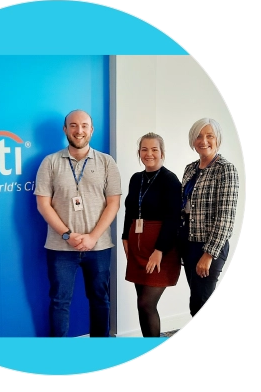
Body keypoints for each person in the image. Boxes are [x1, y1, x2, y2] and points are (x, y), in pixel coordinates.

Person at [34, 109, 122, 337]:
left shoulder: (107, 162)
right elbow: (43, 204)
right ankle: (58, 358)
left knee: (100, 300)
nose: (79, 130)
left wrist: (92, 237)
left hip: (99, 246)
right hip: (60, 247)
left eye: (84, 125)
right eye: (73, 125)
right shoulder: (50, 162)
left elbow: (113, 203)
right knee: (59, 302)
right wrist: (67, 235)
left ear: (92, 130)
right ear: (65, 130)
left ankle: (100, 354)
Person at [122, 132, 182, 337]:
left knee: (146, 303)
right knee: (142, 304)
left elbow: (173, 218)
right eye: (144, 149)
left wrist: (159, 251)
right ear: (139, 152)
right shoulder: (136, 179)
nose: (149, 154)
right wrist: (125, 237)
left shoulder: (170, 180)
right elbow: (130, 211)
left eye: (154, 149)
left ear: (162, 153)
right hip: (137, 248)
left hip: (160, 250)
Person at [179, 118, 239, 317]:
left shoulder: (225, 169)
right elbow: (184, 207)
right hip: (189, 243)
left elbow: (226, 217)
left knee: (202, 303)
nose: (203, 140)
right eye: (198, 136)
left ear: (218, 140)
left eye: (209, 136)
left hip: (210, 246)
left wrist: (209, 254)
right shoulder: (190, 169)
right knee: (195, 299)